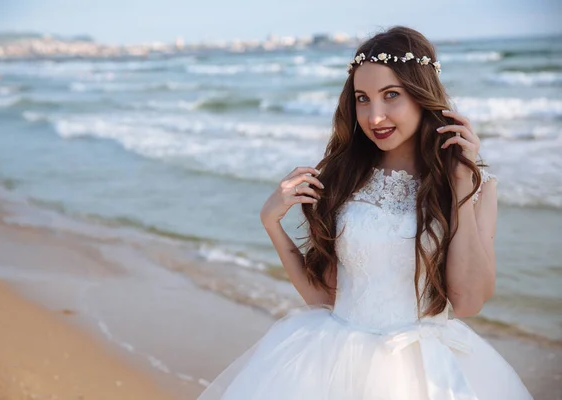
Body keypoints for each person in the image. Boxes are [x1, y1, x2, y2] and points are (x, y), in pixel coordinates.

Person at [198, 26, 533, 400]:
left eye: (391, 95)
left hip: (425, 373)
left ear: (423, 95)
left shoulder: (476, 185)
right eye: (362, 98)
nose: (375, 117)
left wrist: (458, 187)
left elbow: (469, 301)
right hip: (332, 361)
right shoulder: (342, 178)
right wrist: (271, 224)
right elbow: (323, 297)